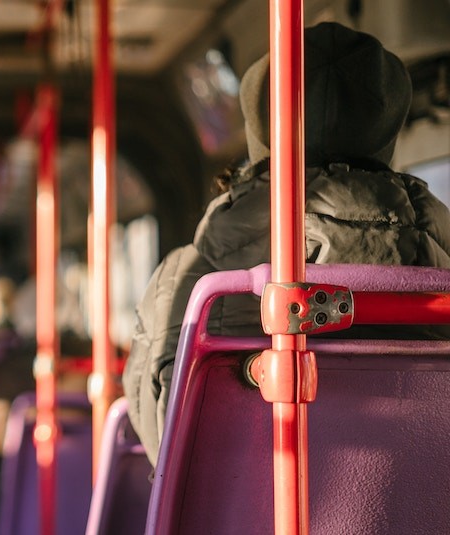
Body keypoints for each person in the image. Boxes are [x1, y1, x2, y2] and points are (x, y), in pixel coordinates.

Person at [122, 21, 450, 465]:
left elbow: (164, 440)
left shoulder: (190, 282)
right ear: (386, 133)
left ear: (261, 131)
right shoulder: (440, 261)